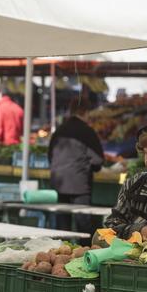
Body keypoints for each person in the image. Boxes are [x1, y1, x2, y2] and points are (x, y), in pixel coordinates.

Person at [48, 98, 104, 234]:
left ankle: (61, 253)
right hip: (79, 185)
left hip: (59, 183)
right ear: (86, 112)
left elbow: (50, 155)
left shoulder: (59, 130)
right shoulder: (87, 131)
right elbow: (97, 161)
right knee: (83, 227)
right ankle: (84, 253)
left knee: (62, 229)